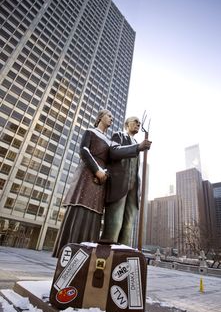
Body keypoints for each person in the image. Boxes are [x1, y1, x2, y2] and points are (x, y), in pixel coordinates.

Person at [52, 109, 113, 257]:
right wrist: (97, 170)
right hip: (86, 174)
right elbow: (84, 150)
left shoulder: (110, 142)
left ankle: (87, 254)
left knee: (95, 211)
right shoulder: (89, 132)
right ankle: (69, 252)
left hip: (101, 180)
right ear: (100, 117)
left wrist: (105, 173)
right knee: (81, 205)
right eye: (109, 115)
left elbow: (112, 161)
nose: (112, 118)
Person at [101, 116, 152, 245]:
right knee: (115, 223)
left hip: (133, 187)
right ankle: (106, 254)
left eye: (139, 123)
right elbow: (113, 151)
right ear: (126, 124)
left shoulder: (136, 141)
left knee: (128, 225)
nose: (138, 124)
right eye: (135, 122)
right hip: (119, 184)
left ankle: (121, 255)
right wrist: (137, 148)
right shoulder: (119, 135)